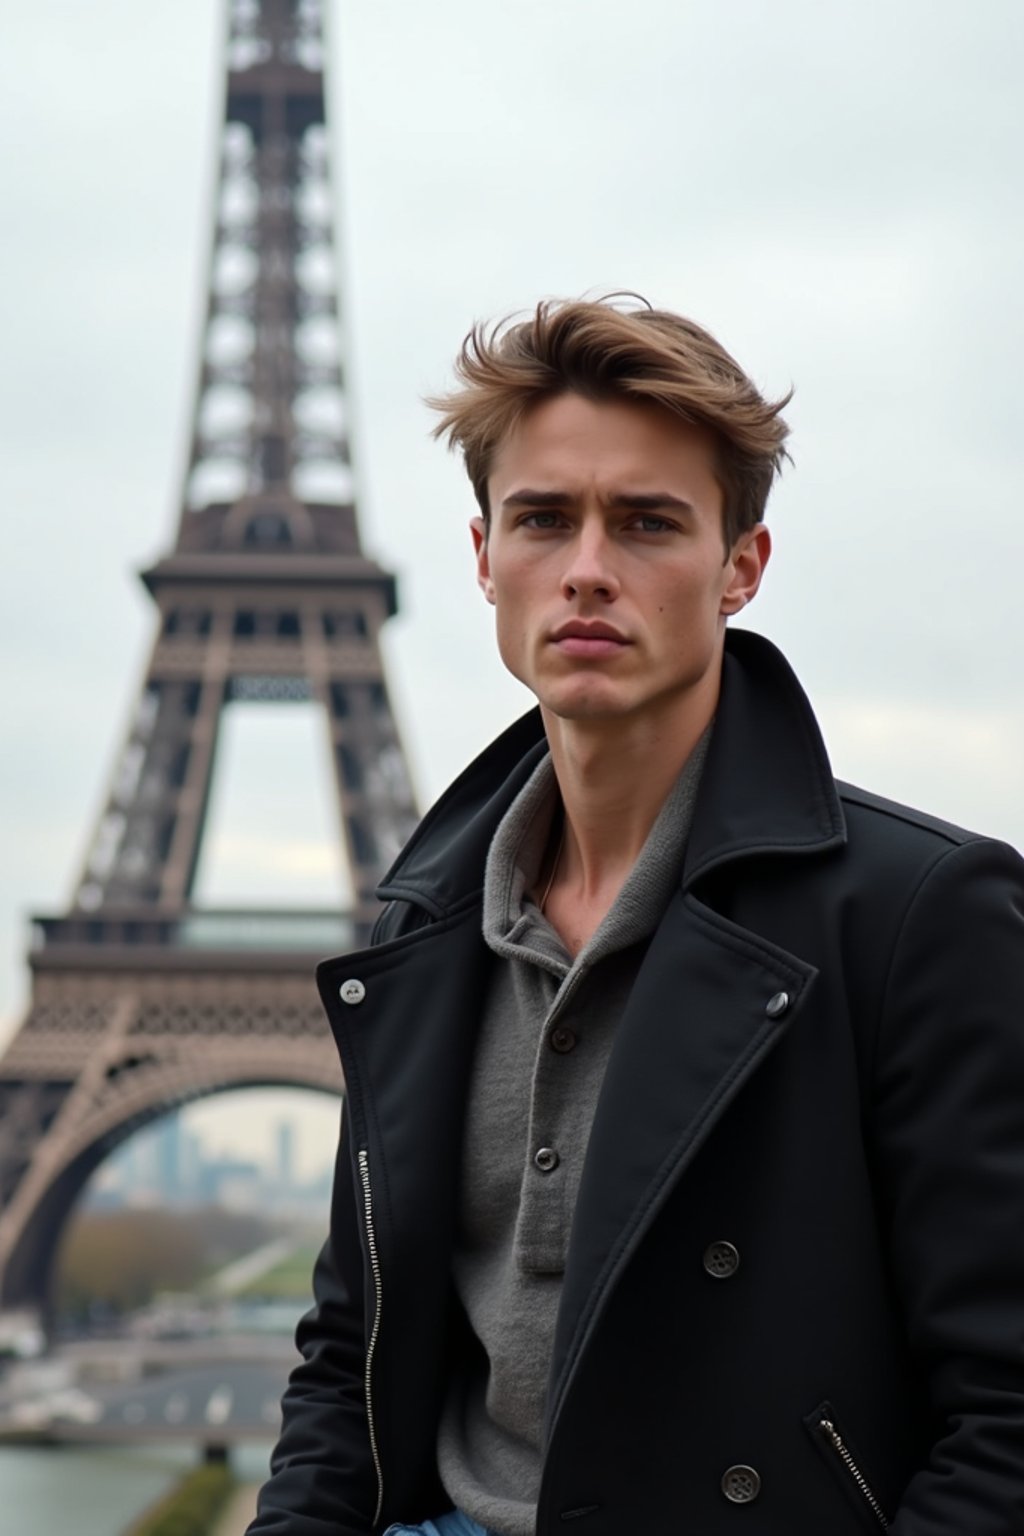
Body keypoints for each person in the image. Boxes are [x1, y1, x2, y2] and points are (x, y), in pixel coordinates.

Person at [248, 298, 1024, 1535]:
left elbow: (1005, 1413)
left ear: (740, 568)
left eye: (649, 522)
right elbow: (350, 1353)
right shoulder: (417, 929)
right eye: (544, 519)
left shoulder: (920, 915)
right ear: (483, 556)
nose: (588, 568)